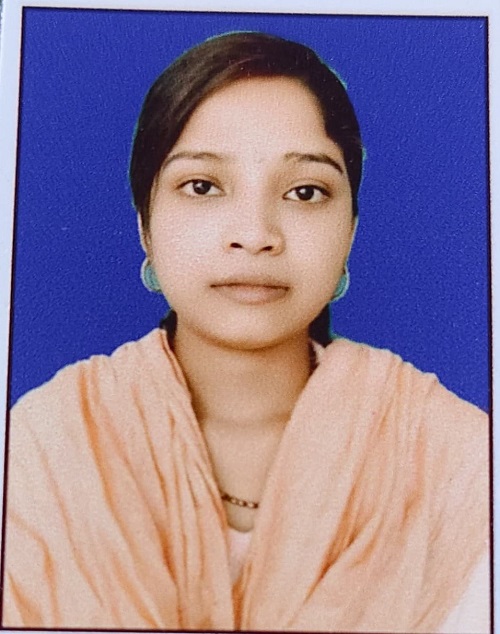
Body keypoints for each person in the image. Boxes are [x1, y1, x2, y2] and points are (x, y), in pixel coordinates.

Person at [2, 32, 489, 632]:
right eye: (203, 186)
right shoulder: (41, 452)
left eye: (305, 192)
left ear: (351, 230)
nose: (255, 235)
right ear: (145, 225)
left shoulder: (458, 464)